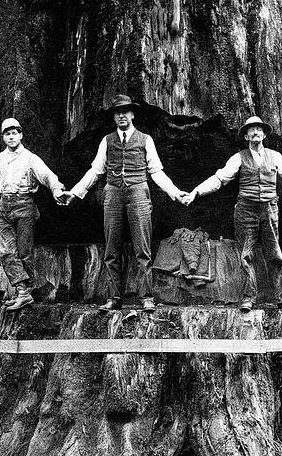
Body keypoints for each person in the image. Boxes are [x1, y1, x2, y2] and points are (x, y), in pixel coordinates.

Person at [182, 116, 282, 312]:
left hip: (270, 209)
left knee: (275, 254)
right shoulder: (238, 158)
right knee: (246, 255)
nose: (255, 132)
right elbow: (219, 179)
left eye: (259, 129)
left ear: (264, 134)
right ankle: (247, 298)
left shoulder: (275, 156)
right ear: (245, 135)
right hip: (246, 210)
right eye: (251, 130)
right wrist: (196, 192)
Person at [59, 95, 188, 313]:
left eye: (126, 111)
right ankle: (113, 298)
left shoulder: (145, 139)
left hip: (138, 192)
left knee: (142, 248)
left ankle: (146, 297)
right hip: (113, 193)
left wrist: (175, 193)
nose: (122, 115)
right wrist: (75, 193)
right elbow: (96, 171)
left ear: (133, 114)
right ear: (114, 116)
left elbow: (156, 171)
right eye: (118, 112)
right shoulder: (107, 140)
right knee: (112, 248)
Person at [0, 118, 66, 312]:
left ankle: (24, 293)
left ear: (20, 135)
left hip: (24, 205)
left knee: (24, 251)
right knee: (6, 252)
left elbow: (47, 175)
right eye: (7, 134)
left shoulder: (30, 158)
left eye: (14, 133)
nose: (11, 137)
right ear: (3, 137)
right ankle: (22, 292)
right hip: (4, 206)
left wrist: (57, 189)